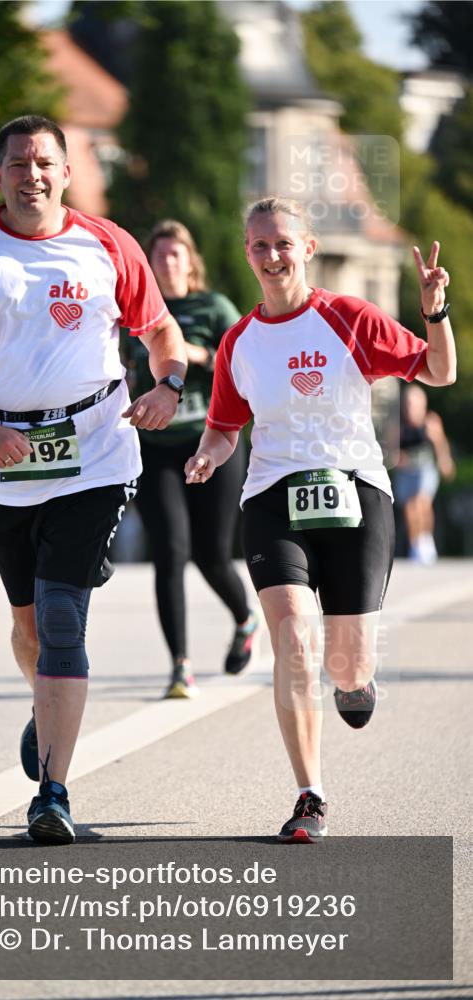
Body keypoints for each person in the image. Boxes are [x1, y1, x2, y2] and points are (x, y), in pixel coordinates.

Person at [0, 115, 187, 846]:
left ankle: (52, 793)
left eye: (45, 162)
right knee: (28, 625)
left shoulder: (109, 244)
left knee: (62, 617)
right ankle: (46, 702)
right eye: (19, 163)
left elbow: (160, 334)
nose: (32, 174)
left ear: (67, 173)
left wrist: (169, 386)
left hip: (94, 448)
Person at [185, 196, 456, 843]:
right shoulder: (238, 342)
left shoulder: (348, 319)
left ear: (307, 248)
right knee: (294, 641)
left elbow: (439, 371)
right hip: (273, 496)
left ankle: (355, 682)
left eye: (283, 243)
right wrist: (206, 451)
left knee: (345, 663)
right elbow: (225, 427)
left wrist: (433, 309)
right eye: (259, 245)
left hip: (356, 494)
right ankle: (309, 793)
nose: (271, 255)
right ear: (246, 253)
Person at [124, 220, 258, 698]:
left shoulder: (214, 307)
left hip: (212, 443)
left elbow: (246, 361)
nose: (168, 263)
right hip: (156, 449)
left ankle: (245, 619)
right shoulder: (138, 313)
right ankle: (180, 666)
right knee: (169, 553)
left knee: (211, 554)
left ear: (190, 261)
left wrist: (195, 355)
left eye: (176, 255)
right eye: (159, 256)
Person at [393, 383, 455, 564]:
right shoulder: (398, 426)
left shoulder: (431, 421)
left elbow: (441, 445)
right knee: (410, 507)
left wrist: (445, 463)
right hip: (406, 471)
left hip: (425, 469)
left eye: (413, 404)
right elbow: (390, 451)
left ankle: (426, 538)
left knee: (422, 501)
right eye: (407, 404)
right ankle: (416, 544)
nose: (410, 408)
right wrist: (397, 458)